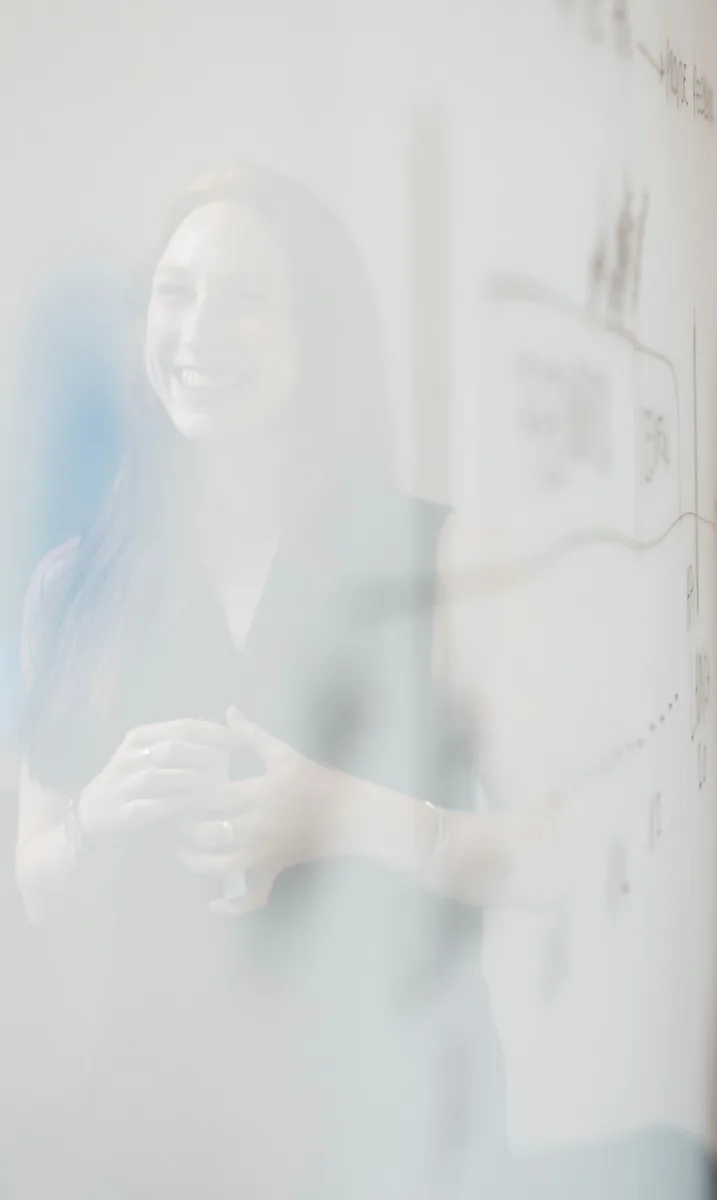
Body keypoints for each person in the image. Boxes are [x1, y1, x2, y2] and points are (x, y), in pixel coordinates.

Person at [13, 166, 559, 1198]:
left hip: (399, 1122)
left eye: (247, 299)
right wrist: (100, 812)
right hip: (159, 1123)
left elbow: (563, 853)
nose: (198, 329)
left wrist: (347, 814)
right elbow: (36, 886)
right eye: (175, 293)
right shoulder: (73, 585)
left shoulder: (448, 560)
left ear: (324, 336)